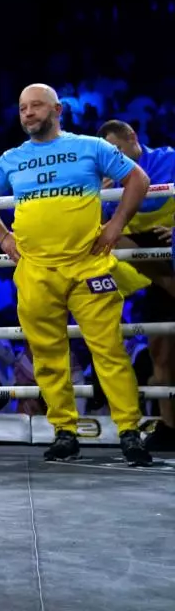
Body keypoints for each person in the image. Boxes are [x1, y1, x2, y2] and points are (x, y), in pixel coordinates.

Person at [0, 85, 153, 466]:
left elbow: (138, 179)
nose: (28, 113)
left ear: (57, 109)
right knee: (47, 356)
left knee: (109, 351)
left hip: (88, 266)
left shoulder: (91, 147)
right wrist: (3, 237)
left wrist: (117, 223)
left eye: (36, 106)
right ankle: (64, 432)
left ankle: (129, 432)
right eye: (22, 108)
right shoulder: (12, 158)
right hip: (36, 270)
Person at [98, 119, 175, 452]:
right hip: (151, 270)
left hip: (169, 250)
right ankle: (170, 428)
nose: (113, 158)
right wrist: (98, 195)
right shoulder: (112, 180)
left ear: (133, 139)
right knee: (161, 351)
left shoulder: (168, 160)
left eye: (116, 149)